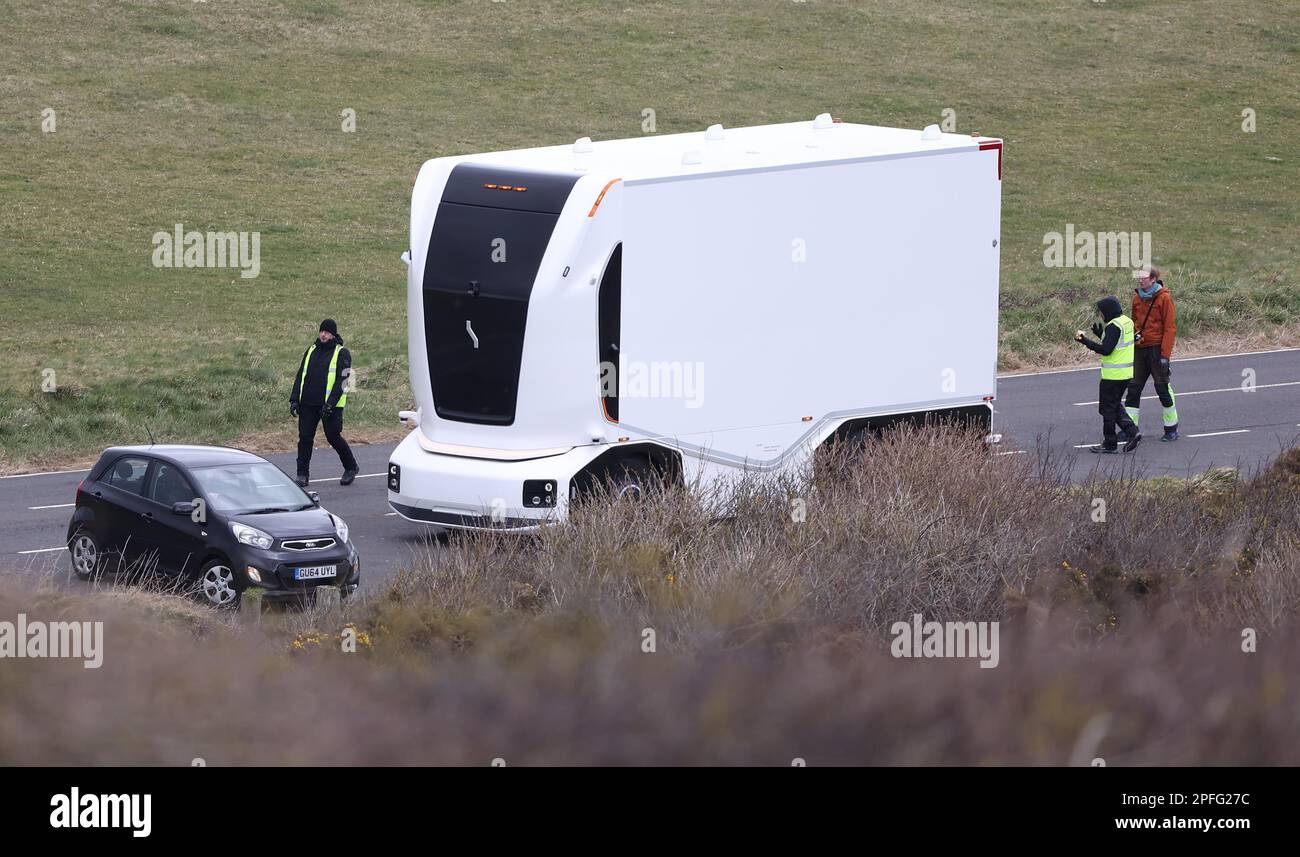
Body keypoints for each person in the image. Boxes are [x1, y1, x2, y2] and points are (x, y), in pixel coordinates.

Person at [289, 319, 359, 486]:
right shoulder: (311, 349)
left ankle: (351, 467)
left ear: (333, 334)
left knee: (333, 437)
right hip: (308, 403)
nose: (323, 334)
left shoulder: (342, 353)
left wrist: (330, 404)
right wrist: (294, 399)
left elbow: (343, 380)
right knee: (305, 438)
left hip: (330, 406)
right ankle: (302, 475)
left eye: (327, 332)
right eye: (321, 331)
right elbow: (301, 375)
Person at [1075, 296, 1141, 454]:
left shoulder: (1113, 326)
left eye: (1102, 312)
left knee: (1108, 410)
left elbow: (1106, 350)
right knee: (1114, 405)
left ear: (1108, 311)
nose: (1101, 316)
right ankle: (1132, 432)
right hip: (1125, 374)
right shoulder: (1126, 321)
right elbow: (1116, 343)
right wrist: (1101, 335)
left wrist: (1085, 341)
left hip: (1112, 376)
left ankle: (1110, 443)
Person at [1125, 265, 1179, 441]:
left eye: (1144, 277)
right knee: (1133, 388)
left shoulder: (1165, 299)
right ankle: (1130, 429)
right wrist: (1134, 337)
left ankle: (1171, 428)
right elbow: (1133, 322)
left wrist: (1165, 356)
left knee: (1162, 387)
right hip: (1140, 349)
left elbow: (1170, 328)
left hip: (1156, 349)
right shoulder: (1136, 299)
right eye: (1139, 277)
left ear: (1153, 279)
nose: (1140, 279)